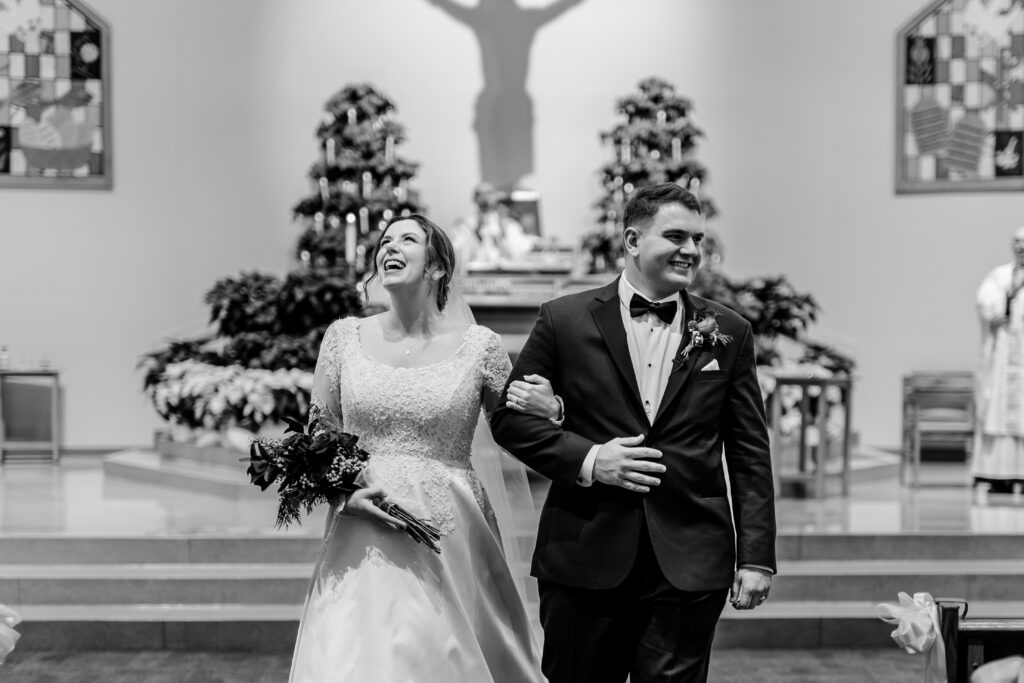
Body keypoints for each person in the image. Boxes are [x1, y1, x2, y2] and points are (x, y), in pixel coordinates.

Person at [491, 182, 777, 683]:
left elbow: (750, 451)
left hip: (690, 558)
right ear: (631, 240)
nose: (691, 250)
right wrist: (590, 459)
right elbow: (510, 420)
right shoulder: (564, 320)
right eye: (675, 236)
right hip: (584, 553)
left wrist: (757, 558)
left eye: (697, 239)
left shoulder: (727, 331)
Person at [289, 214, 557, 682]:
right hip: (361, 530)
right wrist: (343, 496)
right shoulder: (342, 338)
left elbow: (520, 433)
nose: (389, 246)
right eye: (385, 240)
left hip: (451, 531)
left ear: (437, 267)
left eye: (407, 239)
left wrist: (552, 407)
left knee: (446, 653)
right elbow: (318, 436)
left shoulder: (480, 347)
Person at [973, 225, 1024, 494]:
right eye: (1016, 242)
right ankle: (995, 473)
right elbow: (982, 299)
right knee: (998, 411)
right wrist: (995, 311)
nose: (1020, 247)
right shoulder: (1000, 275)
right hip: (1003, 355)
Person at [450, 182, 535, 268]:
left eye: (489, 193)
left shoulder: (509, 225)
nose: (485, 197)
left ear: (497, 197)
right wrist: (476, 232)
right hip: (476, 276)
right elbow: (458, 256)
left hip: (503, 275)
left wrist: (503, 232)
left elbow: (517, 254)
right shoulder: (465, 225)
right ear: (475, 199)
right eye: (480, 194)